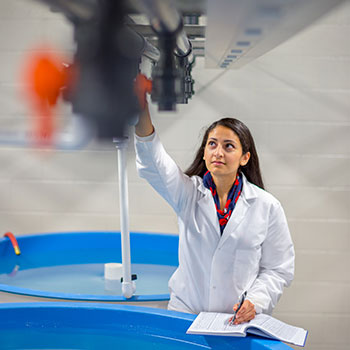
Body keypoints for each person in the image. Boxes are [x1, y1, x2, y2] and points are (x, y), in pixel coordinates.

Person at [134, 94, 295, 325]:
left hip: (236, 321)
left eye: (228, 146)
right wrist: (140, 107)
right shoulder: (188, 193)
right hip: (186, 315)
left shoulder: (267, 206)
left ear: (244, 157)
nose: (218, 153)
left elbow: (277, 269)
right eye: (212, 144)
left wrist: (255, 302)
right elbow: (154, 163)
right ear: (204, 152)